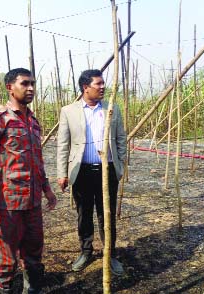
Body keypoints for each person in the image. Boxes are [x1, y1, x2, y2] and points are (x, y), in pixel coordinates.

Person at [0, 68, 57, 294]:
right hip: (8, 203)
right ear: (10, 88)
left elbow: (36, 160)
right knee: (5, 259)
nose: (30, 89)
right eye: (25, 83)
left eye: (33, 84)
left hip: (33, 202)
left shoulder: (33, 122)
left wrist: (47, 189)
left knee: (34, 254)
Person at [56, 69, 127, 275]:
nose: (103, 87)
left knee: (108, 215)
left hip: (107, 170)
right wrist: (62, 173)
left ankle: (110, 254)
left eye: (103, 83)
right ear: (85, 87)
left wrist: (119, 165)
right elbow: (63, 145)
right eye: (98, 84)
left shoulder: (112, 109)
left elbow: (121, 139)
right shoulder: (69, 111)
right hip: (82, 172)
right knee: (84, 214)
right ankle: (86, 252)